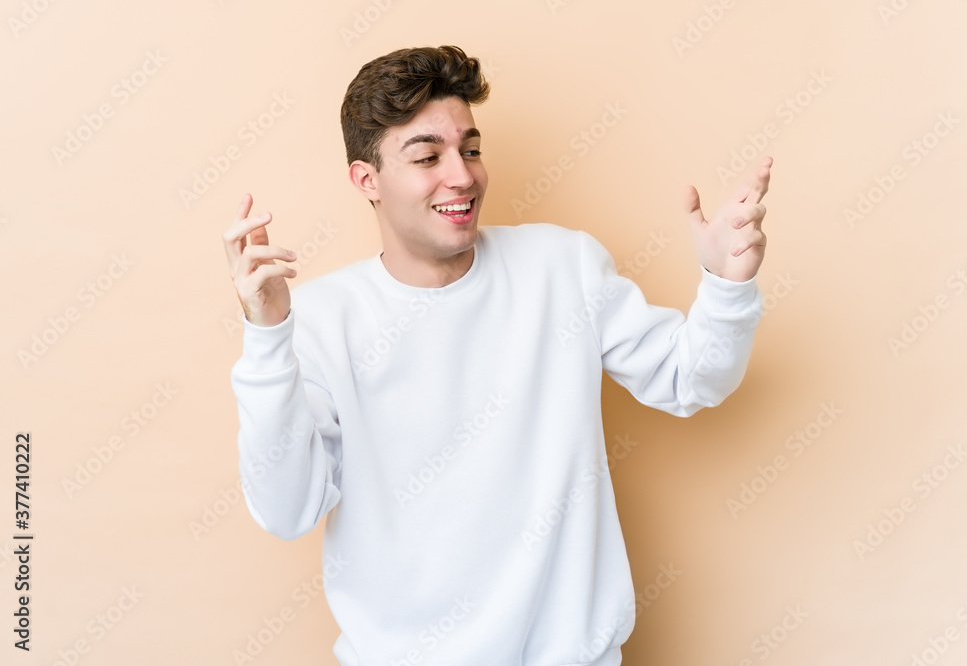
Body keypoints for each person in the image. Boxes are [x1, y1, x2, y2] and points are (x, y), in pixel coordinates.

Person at [223, 45, 770, 666]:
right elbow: (289, 509)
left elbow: (687, 379)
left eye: (471, 149)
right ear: (366, 179)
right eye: (428, 156)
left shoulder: (562, 267)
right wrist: (268, 338)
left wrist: (727, 287)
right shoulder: (318, 322)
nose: (462, 175)